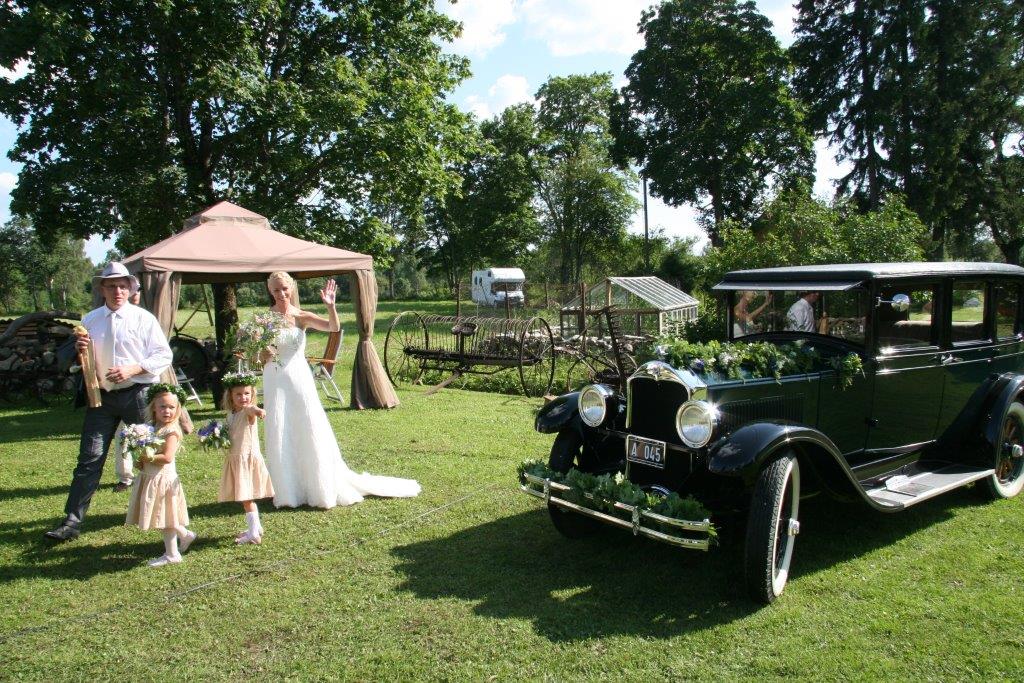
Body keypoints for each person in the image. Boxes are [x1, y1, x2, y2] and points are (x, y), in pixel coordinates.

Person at [261, 271, 420, 508]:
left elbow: (333, 327)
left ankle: (317, 485)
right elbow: (259, 355)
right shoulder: (263, 319)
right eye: (276, 290)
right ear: (270, 291)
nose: (281, 293)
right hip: (273, 378)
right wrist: (262, 351)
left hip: (297, 377)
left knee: (307, 424)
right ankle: (287, 490)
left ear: (291, 288)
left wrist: (331, 306)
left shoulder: (301, 316)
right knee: (279, 427)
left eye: (284, 288)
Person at [45, 262, 173, 542]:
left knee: (152, 454)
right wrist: (79, 350)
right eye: (112, 286)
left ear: (130, 289)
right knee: (89, 459)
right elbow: (82, 361)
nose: (118, 291)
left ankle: (165, 515)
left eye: (123, 286)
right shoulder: (91, 319)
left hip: (138, 394)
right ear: (102, 289)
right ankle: (71, 522)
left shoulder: (143, 319)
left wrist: (133, 369)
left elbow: (164, 355)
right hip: (100, 398)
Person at [124, 384, 197, 567]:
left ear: (178, 409)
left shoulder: (171, 431)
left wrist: (147, 457)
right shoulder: (151, 428)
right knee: (164, 514)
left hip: (163, 479)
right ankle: (185, 534)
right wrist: (139, 458)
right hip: (151, 477)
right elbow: (144, 450)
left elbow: (167, 457)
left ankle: (172, 554)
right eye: (162, 406)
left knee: (165, 517)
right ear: (153, 408)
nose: (167, 411)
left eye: (171, 407)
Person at [218, 372, 274, 544]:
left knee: (246, 498)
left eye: (247, 393)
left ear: (252, 394)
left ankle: (253, 534)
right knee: (246, 496)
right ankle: (256, 527)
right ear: (230, 395)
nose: (243, 397)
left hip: (246, 459)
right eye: (238, 394)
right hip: (236, 458)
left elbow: (254, 410)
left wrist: (259, 411)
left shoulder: (248, 410)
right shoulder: (231, 413)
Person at [109, 289, 143, 493]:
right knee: (123, 434)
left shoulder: (144, 318)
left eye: (138, 290)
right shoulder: (111, 317)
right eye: (134, 290)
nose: (135, 294)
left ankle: (149, 473)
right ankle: (126, 476)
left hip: (142, 387)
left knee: (146, 433)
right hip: (116, 389)